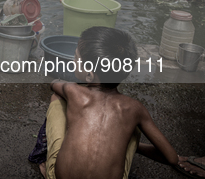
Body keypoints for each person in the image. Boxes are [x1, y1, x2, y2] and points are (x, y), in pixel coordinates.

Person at [39, 26, 178, 179]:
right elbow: (171, 158)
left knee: (57, 99)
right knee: (133, 127)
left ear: (90, 74)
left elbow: (54, 83)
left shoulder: (74, 92)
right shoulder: (134, 108)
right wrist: (131, 146)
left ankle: (49, 170)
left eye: (76, 57)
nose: (73, 60)